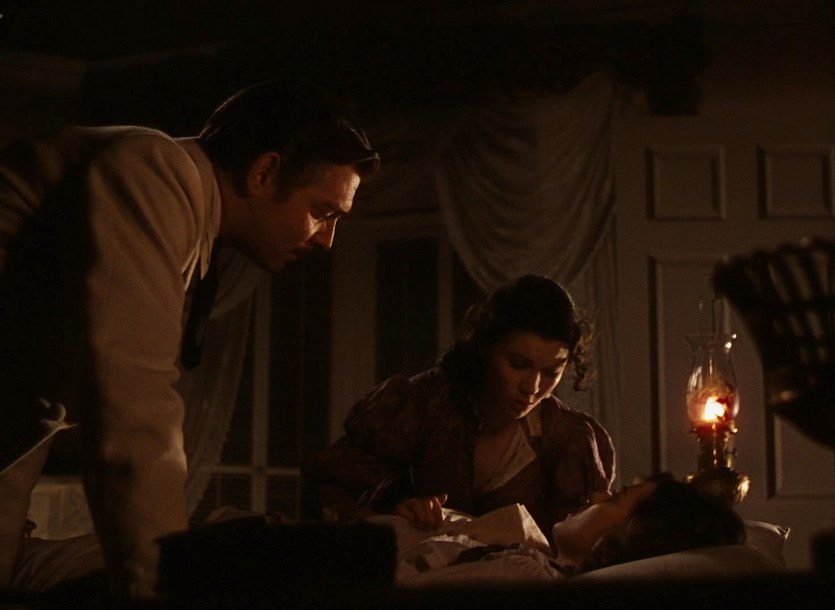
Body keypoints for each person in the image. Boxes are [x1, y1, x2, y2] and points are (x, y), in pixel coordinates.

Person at [0, 78, 380, 599]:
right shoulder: (156, 171)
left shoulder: (187, 214)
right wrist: (163, 590)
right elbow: (132, 407)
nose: (327, 241)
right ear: (264, 173)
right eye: (323, 212)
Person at [302, 275, 616, 539]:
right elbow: (326, 490)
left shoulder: (569, 438)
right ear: (486, 346)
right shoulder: (425, 401)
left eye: (550, 372)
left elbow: (583, 553)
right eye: (518, 364)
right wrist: (393, 516)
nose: (532, 388)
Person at [399, 475, 746, 585]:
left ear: (629, 535)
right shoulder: (528, 552)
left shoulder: (522, 574)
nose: (596, 496)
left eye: (616, 497)